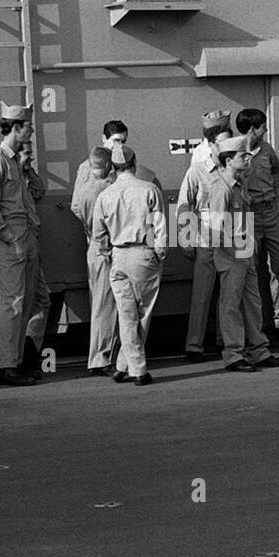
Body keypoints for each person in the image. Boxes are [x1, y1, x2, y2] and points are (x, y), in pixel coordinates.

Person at [207, 136, 279, 372]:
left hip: (245, 250)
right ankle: (233, 354)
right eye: (243, 156)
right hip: (231, 254)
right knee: (230, 304)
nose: (247, 159)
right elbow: (215, 229)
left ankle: (259, 350)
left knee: (253, 303)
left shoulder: (239, 185)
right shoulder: (221, 190)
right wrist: (233, 253)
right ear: (229, 160)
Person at [92, 143, 168, 385]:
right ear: (134, 163)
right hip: (143, 254)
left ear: (112, 168)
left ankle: (123, 365)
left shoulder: (104, 196)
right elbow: (161, 226)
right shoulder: (149, 189)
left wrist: (107, 252)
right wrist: (160, 253)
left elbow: (98, 233)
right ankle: (138, 370)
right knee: (142, 314)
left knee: (126, 315)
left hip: (118, 256)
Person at [0, 101, 40, 387]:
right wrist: (9, 238)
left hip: (24, 237)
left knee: (24, 302)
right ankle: (5, 365)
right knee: (12, 303)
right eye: (28, 125)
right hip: (12, 241)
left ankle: (15, 362)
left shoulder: (14, 160)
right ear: (16, 127)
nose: (31, 130)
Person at [234, 108, 279, 342]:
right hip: (247, 217)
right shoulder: (235, 151)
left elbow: (277, 169)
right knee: (247, 272)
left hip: (270, 214)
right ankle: (253, 328)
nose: (266, 129)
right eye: (263, 125)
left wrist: (277, 193)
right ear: (252, 128)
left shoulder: (267, 150)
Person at [177, 117, 233, 361]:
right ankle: (194, 345)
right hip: (205, 237)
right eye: (221, 143)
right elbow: (183, 206)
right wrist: (186, 240)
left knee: (231, 295)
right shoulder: (196, 171)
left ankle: (228, 343)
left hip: (233, 236)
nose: (226, 147)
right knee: (202, 295)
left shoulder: (235, 169)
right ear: (210, 146)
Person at [72, 146, 117, 375]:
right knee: (107, 307)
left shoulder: (83, 191)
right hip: (107, 249)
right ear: (108, 165)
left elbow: (75, 209)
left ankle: (100, 356)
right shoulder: (107, 190)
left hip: (93, 247)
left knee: (98, 305)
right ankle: (101, 358)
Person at [17, 139, 52, 379]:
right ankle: (20, 358)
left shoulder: (25, 178)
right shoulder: (9, 180)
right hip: (21, 245)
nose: (31, 158)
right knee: (24, 302)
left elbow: (40, 190)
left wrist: (29, 169)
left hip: (32, 243)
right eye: (28, 154)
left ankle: (29, 353)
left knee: (42, 300)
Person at [73, 120, 161, 197]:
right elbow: (77, 203)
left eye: (123, 141)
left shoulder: (129, 164)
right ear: (104, 138)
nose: (120, 145)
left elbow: (155, 185)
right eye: (116, 140)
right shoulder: (86, 167)